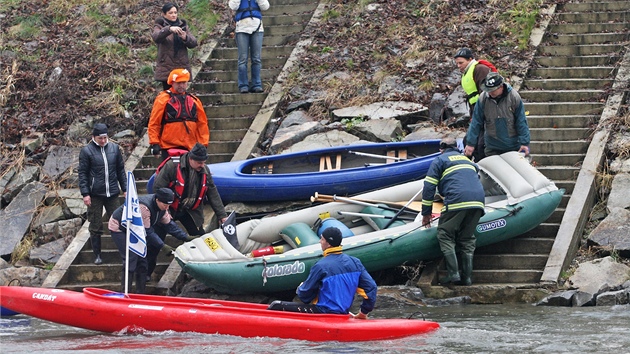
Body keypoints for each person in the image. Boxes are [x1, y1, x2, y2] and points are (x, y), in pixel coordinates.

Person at [149, 143, 228, 279]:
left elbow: (212, 192)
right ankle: (147, 272)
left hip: (190, 209)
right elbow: (157, 188)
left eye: (204, 162)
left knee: (201, 237)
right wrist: (163, 210)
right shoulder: (172, 166)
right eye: (199, 162)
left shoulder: (205, 170)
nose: (202, 165)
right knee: (156, 242)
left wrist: (222, 215)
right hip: (169, 208)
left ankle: (207, 267)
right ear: (190, 158)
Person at [267, 227, 377, 318]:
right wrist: (363, 313)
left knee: (275, 305)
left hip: (323, 313)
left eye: (322, 239)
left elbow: (305, 296)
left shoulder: (320, 266)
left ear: (328, 244)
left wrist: (300, 288)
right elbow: (371, 288)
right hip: (342, 314)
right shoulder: (355, 262)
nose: (320, 242)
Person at [421, 137, 485, 286]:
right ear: (457, 147)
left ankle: (453, 273)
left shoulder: (440, 160)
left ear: (441, 149)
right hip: (478, 201)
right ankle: (467, 277)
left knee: (445, 233)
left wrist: (426, 213)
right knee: (467, 238)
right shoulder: (469, 161)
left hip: (457, 200)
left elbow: (429, 187)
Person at [108, 188, 192, 293]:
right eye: (165, 205)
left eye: (168, 205)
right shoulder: (144, 208)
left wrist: (185, 237)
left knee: (143, 260)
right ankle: (125, 291)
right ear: (157, 200)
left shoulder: (163, 208)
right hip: (120, 228)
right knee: (131, 257)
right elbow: (148, 232)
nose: (166, 208)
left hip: (137, 230)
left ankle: (141, 292)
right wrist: (163, 246)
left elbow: (169, 224)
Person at [78, 123, 127, 265]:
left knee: (119, 221)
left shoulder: (114, 149)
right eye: (100, 138)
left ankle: (123, 252)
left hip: (112, 191)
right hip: (95, 193)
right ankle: (97, 255)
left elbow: (120, 170)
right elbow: (83, 174)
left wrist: (125, 188)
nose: (103, 141)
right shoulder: (86, 151)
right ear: (94, 137)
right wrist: (85, 193)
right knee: (95, 223)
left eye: (105, 138)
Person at [464, 72, 531, 159]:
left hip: (512, 146)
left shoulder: (513, 97)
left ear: (501, 87)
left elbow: (521, 121)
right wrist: (470, 143)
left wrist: (524, 143)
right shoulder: (483, 99)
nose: (490, 93)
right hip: (492, 146)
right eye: (488, 90)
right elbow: (476, 122)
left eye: (493, 90)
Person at [148, 68, 209, 161]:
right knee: (171, 173)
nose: (181, 85)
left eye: (184, 83)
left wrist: (203, 144)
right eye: (178, 83)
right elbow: (154, 123)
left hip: (191, 147)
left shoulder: (194, 100)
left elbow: (202, 124)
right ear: (172, 83)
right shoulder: (163, 99)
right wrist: (154, 143)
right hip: (169, 147)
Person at [454, 47, 494, 161]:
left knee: (480, 144)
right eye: (457, 63)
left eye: (461, 63)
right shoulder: (467, 72)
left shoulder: (480, 69)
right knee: (468, 141)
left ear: (470, 59)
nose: (459, 66)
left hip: (485, 112)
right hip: (475, 110)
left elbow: (486, 92)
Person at [152, 2, 198, 90]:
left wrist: (185, 37)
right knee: (168, 96)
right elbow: (156, 37)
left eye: (175, 12)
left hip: (181, 66)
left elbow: (193, 43)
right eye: (170, 13)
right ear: (164, 14)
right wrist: (168, 29)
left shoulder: (183, 26)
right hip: (167, 67)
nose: (173, 15)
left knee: (181, 95)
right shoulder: (159, 25)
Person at [228, 0, 270, 94]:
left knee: (256, 58)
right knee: (242, 59)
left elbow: (265, 6)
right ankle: (243, 85)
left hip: (257, 28)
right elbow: (233, 6)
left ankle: (257, 84)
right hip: (241, 29)